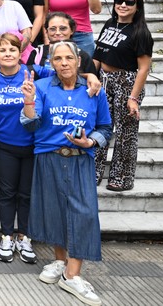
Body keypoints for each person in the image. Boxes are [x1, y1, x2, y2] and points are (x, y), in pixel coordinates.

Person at [20, 41, 112, 306]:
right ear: (51, 63)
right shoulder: (40, 87)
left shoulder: (95, 90)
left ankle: (72, 276)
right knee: (55, 211)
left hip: (80, 159)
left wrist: (90, 142)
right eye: (57, 58)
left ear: (78, 60)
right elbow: (31, 124)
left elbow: (105, 127)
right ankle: (60, 261)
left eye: (68, 58)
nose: (63, 63)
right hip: (48, 157)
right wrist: (28, 101)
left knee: (84, 214)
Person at [93, 0, 153, 192]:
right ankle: (94, 172)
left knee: (126, 133)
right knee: (100, 126)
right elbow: (97, 56)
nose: (123, 5)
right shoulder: (109, 24)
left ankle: (122, 177)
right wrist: (92, 79)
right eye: (120, 0)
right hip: (104, 81)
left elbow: (144, 68)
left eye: (129, 2)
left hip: (126, 82)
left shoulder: (140, 32)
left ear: (137, 7)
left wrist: (133, 97)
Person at [0, 33, 39, 265]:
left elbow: (65, 72)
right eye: (2, 50)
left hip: (31, 144)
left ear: (20, 53)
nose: (7, 54)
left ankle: (24, 236)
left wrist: (89, 75)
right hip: (4, 145)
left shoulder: (34, 72)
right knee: (7, 193)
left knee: (26, 194)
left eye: (12, 50)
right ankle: (7, 236)